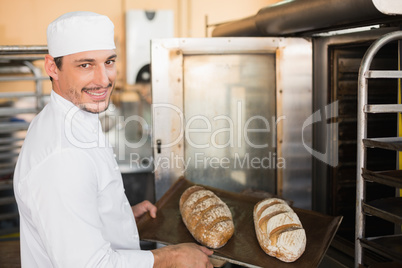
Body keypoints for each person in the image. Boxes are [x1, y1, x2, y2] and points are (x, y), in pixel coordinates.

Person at [13, 11, 213, 268]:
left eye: (109, 62)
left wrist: (119, 219)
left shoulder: (75, 114)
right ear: (53, 67)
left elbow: (73, 215)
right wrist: (172, 257)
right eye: (85, 65)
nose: (103, 79)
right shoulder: (63, 157)